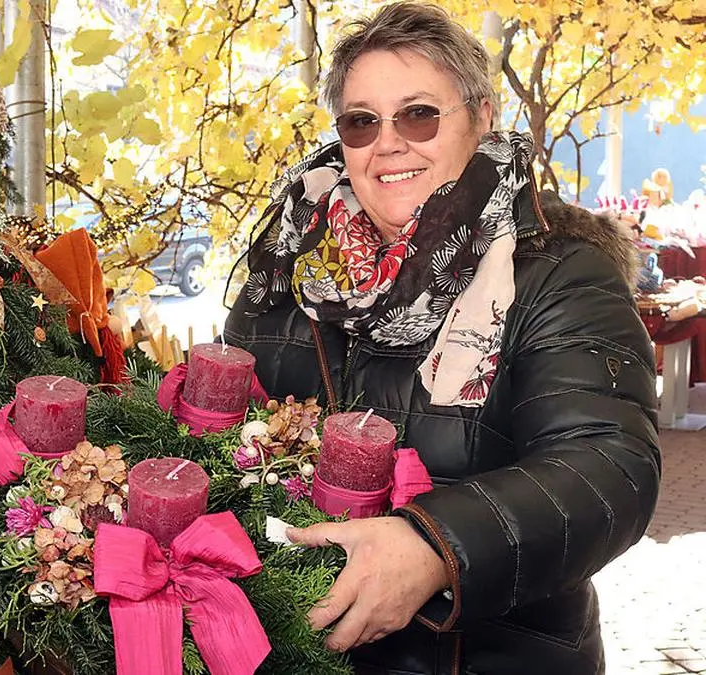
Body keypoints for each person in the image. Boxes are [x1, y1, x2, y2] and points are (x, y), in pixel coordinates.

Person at [223, 3, 661, 674]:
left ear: (482, 117)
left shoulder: (561, 273)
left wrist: (437, 547)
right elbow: (228, 450)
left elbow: (609, 466)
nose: (388, 142)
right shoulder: (285, 274)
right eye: (362, 121)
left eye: (419, 114)